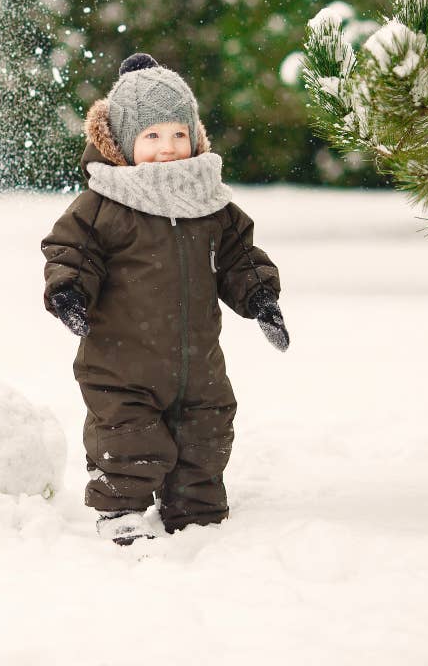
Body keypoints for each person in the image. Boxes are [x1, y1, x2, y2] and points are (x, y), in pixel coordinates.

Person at [41, 53, 289, 545]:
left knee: (208, 431)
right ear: (123, 142)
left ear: (195, 137)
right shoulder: (103, 203)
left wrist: (262, 299)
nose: (168, 148)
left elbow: (241, 257)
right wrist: (69, 292)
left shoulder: (212, 203)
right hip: (120, 364)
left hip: (198, 363)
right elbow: (71, 252)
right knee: (127, 440)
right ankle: (122, 510)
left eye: (178, 134)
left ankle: (195, 509)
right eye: (151, 137)